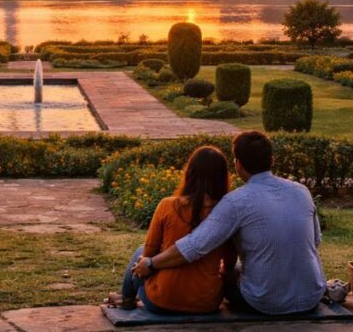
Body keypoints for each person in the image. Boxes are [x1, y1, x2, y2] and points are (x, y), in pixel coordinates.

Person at [133, 131, 325, 315]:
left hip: (263, 302)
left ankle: (127, 297)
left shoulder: (236, 201)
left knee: (230, 276)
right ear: (271, 160)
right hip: (310, 297)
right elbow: (315, 241)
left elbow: (194, 245)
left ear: (238, 165)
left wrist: (151, 263)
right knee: (240, 269)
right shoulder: (301, 191)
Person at [111, 146, 236, 314]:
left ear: (190, 172)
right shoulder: (226, 213)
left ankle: (127, 298)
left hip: (162, 301)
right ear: (223, 177)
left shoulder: (168, 205)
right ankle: (127, 297)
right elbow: (229, 262)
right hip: (206, 303)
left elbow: (148, 254)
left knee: (140, 251)